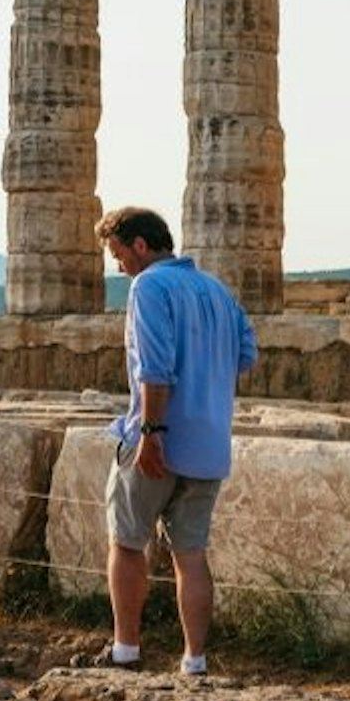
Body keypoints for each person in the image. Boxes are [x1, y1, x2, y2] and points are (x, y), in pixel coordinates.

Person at [89, 206, 258, 676]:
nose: (119, 268)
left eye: (119, 255)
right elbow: (247, 354)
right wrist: (207, 374)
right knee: (191, 554)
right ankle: (195, 662)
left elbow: (155, 367)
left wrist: (151, 433)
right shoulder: (218, 290)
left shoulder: (149, 286)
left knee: (125, 542)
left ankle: (125, 651)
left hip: (158, 439)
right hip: (209, 443)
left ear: (140, 246)